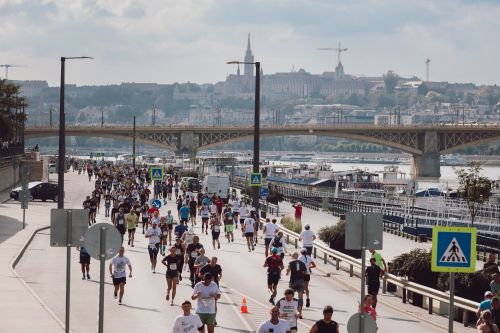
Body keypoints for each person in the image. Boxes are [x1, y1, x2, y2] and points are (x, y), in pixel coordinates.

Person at [286, 252, 308, 317]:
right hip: (301, 281)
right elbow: (305, 272)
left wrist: (287, 273)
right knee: (300, 297)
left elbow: (288, 269)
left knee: (290, 296)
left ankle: (289, 312)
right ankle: (300, 312)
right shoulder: (302, 263)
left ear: (293, 256)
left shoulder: (291, 263)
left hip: (293, 281)